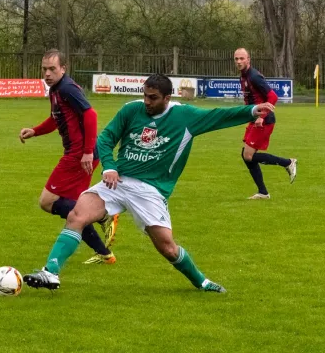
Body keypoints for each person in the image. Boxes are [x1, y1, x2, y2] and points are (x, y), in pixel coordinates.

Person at [23, 73, 275, 293]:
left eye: (153, 98)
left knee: (168, 248)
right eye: (145, 95)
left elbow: (219, 116)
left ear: (167, 97)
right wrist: (109, 166)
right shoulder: (131, 109)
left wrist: (252, 111)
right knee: (76, 215)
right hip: (117, 182)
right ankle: (50, 272)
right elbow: (106, 138)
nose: (147, 102)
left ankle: (201, 281)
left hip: (150, 191)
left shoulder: (184, 116)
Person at [19, 49, 118, 264]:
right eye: (44, 69)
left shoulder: (66, 88)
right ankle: (105, 253)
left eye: (52, 69)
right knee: (75, 208)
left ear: (63, 69)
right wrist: (35, 131)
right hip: (81, 155)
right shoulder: (55, 90)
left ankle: (102, 215)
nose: (47, 73)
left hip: (78, 155)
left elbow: (90, 114)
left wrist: (87, 151)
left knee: (47, 202)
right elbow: (56, 119)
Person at [234, 48, 297, 200]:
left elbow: (273, 96)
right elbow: (250, 100)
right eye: (236, 59)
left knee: (248, 155)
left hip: (264, 121)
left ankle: (288, 162)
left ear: (248, 59)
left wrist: (262, 116)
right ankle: (263, 192)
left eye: (242, 58)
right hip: (254, 120)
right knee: (246, 155)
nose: (239, 62)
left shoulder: (254, 76)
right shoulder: (243, 77)